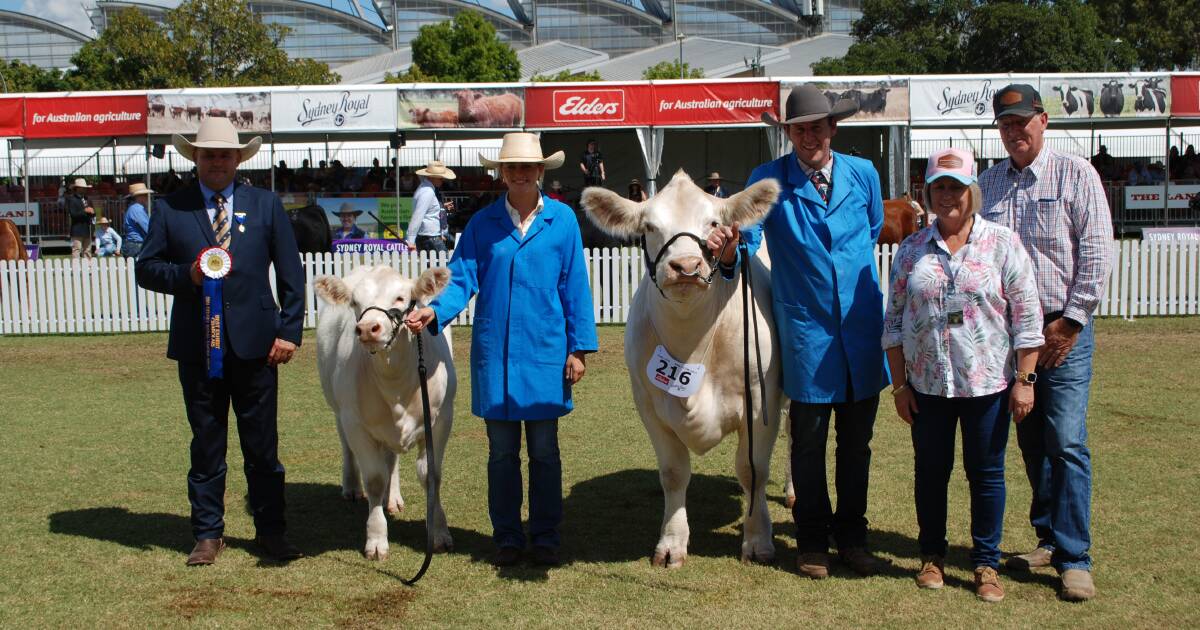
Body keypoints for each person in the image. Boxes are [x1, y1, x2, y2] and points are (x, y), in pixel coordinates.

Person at [707, 83, 889, 579]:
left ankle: (852, 539)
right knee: (807, 444)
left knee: (857, 445)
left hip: (860, 330)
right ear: (788, 133)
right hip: (806, 335)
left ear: (833, 128)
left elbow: (870, 231)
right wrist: (729, 250)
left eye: (816, 126)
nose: (809, 136)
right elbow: (750, 241)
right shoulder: (768, 179)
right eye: (799, 129)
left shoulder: (865, 174)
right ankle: (811, 542)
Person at [404, 132, 598, 568]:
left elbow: (575, 287)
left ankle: (546, 536)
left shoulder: (563, 221)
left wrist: (579, 348)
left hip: (548, 354)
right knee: (501, 454)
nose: (520, 173)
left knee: (545, 452)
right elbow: (462, 276)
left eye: (528, 167)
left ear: (541, 171)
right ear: (502, 173)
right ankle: (508, 537)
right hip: (497, 356)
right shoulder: (482, 224)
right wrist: (434, 310)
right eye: (511, 167)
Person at [135, 116, 306, 566]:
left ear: (238, 158)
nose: (216, 162)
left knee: (262, 449)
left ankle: (272, 533)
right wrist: (187, 276)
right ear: (195, 157)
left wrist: (289, 332)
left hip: (258, 348)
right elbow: (145, 268)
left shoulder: (266, 205)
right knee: (206, 445)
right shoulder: (172, 208)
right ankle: (207, 534)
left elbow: (292, 274)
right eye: (208, 154)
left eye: (224, 154)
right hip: (197, 349)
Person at [883, 147, 1044, 602]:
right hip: (927, 387)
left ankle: (985, 563)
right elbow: (892, 322)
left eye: (956, 187)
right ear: (928, 193)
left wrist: (1025, 380)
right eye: (939, 188)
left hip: (988, 384)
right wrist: (899, 385)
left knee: (987, 474)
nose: (948, 196)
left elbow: (1027, 319)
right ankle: (932, 557)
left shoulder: (1003, 243)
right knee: (931, 473)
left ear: (972, 191)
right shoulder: (912, 249)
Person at [980, 84, 1113, 602]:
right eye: (1006, 125)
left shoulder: (1077, 174)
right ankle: (1049, 538)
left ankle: (1075, 556)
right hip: (1012, 338)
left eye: (1022, 122)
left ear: (1044, 120)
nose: (1015, 132)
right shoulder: (988, 183)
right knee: (1031, 440)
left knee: (1066, 439)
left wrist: (1071, 323)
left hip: (1063, 331)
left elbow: (1097, 255)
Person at [405, 160, 456, 252]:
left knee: (436, 265)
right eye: (440, 178)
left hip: (429, 237)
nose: (443, 180)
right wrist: (410, 241)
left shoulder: (426, 189)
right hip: (430, 238)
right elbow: (417, 216)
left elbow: (428, 212)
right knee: (444, 265)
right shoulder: (427, 191)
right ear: (432, 177)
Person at [66, 178, 96, 259]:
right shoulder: (72, 199)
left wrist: (93, 212)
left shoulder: (87, 199)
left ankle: (88, 269)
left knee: (88, 250)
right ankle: (76, 269)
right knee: (77, 249)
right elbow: (73, 214)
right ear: (78, 188)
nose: (85, 189)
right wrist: (85, 211)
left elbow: (93, 213)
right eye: (83, 187)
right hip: (77, 229)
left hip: (87, 228)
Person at [122, 182, 154, 258]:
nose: (147, 197)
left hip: (134, 245)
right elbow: (148, 227)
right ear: (139, 197)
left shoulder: (133, 208)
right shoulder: (137, 209)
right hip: (136, 246)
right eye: (145, 195)